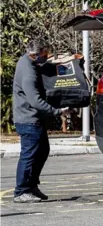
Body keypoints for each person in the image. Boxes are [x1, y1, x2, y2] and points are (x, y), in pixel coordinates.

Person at [12, 40, 68, 203]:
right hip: (28, 119)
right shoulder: (29, 73)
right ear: (35, 55)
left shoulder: (28, 61)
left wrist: (60, 61)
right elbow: (35, 101)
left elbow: (44, 65)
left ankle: (31, 186)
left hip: (33, 119)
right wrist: (58, 111)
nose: (46, 58)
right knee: (29, 155)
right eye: (44, 55)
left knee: (42, 151)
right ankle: (21, 191)